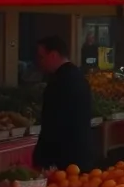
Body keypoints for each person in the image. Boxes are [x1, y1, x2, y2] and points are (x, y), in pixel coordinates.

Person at [32, 36, 94, 171]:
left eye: (42, 57)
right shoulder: (78, 76)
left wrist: (42, 157)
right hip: (82, 151)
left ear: (53, 55)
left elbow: (53, 123)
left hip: (64, 157)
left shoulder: (59, 82)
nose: (40, 62)